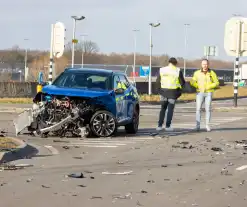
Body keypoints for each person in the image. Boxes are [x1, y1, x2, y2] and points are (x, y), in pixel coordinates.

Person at [156, 57, 185, 131]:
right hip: (173, 92)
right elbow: (182, 83)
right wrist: (179, 92)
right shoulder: (177, 70)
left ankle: (159, 126)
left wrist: (159, 91)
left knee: (163, 109)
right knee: (170, 109)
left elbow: (158, 81)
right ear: (175, 63)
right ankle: (168, 126)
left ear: (169, 62)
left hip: (163, 91)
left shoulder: (162, 70)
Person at [190, 59, 219, 132]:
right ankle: (197, 126)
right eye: (203, 64)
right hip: (199, 93)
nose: (205, 66)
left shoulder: (212, 73)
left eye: (206, 64)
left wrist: (209, 86)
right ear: (201, 65)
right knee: (198, 109)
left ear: (208, 65)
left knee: (208, 109)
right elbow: (192, 81)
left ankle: (207, 125)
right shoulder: (197, 73)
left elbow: (216, 83)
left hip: (209, 93)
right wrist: (197, 86)